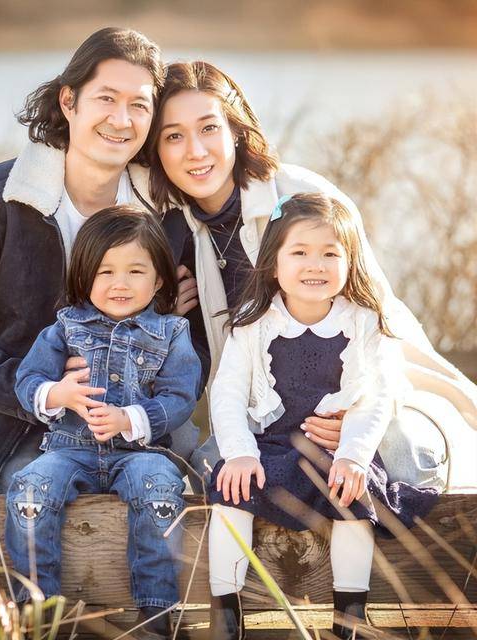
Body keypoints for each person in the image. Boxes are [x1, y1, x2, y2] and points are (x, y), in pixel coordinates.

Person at [0, 27, 203, 495]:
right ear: (68, 101)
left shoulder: (167, 216)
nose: (121, 120)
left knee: (177, 500)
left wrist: (153, 332)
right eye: (106, 98)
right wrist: (38, 387)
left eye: (139, 104)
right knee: (35, 506)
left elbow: (193, 345)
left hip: (124, 432)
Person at [145, 60, 477, 493]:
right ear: (157, 149)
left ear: (236, 131)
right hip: (265, 416)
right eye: (174, 136)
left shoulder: (303, 198)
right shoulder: (170, 231)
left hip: (357, 397)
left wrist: (356, 417)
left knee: (398, 458)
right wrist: (163, 319)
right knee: (210, 472)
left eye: (209, 128)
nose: (195, 150)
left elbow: (379, 325)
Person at [206, 193, 439, 640]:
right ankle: (225, 613)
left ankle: (349, 617)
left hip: (336, 451)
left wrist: (353, 455)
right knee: (230, 490)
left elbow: (373, 398)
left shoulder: (364, 322)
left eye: (330, 254)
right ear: (274, 263)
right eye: (300, 252)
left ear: (350, 262)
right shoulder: (253, 324)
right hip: (272, 449)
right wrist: (238, 453)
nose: (315, 265)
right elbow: (228, 394)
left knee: (353, 496)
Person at [5, 206, 200, 638]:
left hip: (140, 452)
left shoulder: (171, 332)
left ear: (159, 280)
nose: (120, 284)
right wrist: (59, 393)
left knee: (159, 486)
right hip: (68, 450)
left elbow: (180, 397)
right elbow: (28, 380)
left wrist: (129, 418)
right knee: (30, 485)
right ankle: (37, 608)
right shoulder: (65, 328)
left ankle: (156, 612)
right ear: (84, 276)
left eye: (135, 271)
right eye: (105, 271)